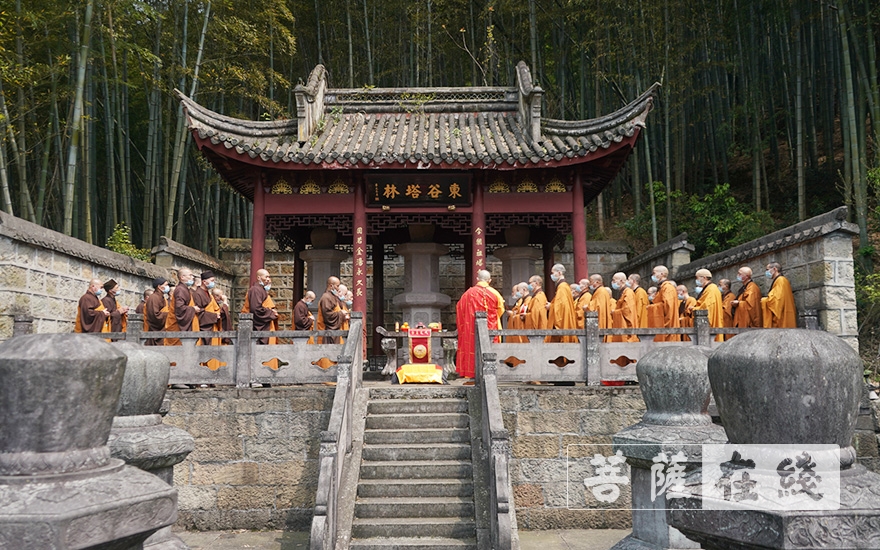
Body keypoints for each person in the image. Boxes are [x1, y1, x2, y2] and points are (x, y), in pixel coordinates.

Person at [455, 270, 504, 382]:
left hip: (471, 328)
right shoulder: (495, 293)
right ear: (489, 280)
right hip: (490, 327)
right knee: (490, 348)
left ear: (477, 279)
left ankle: (471, 373)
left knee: (471, 347)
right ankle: (491, 372)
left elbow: (459, 308)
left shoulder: (467, 294)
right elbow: (500, 310)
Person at [165, 268, 200, 346]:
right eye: (190, 275)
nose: (192, 277)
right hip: (177, 326)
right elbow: (180, 309)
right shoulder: (180, 290)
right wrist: (193, 309)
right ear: (182, 277)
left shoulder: (184, 289)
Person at [243, 268, 279, 344]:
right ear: (259, 278)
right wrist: (271, 313)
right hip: (260, 326)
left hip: (265, 325)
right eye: (266, 277)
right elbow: (256, 309)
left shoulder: (261, 290)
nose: (268, 279)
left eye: (269, 277)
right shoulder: (255, 290)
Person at [544, 264, 578, 343]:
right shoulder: (563, 286)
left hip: (563, 319)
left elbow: (561, 306)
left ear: (559, 273)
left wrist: (551, 306)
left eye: (553, 273)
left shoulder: (562, 287)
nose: (552, 275)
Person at [646, 266, 680, 342]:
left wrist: (652, 307)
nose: (653, 276)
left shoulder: (668, 287)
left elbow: (668, 306)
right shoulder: (662, 287)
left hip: (667, 323)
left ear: (662, 274)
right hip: (662, 323)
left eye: (654, 273)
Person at [690, 269, 724, 342]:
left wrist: (694, 309)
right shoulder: (707, 288)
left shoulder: (711, 289)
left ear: (704, 278)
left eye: (697, 278)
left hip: (711, 321)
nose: (696, 280)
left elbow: (707, 307)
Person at [761, 262, 797, 328]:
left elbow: (777, 300)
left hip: (781, 315)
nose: (766, 272)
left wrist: (764, 300)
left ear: (775, 269)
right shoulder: (779, 280)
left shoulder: (781, 280)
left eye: (767, 269)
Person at [192, 271, 222, 345]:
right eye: (212, 281)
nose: (213, 283)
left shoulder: (208, 294)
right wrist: (214, 316)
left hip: (211, 325)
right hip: (204, 327)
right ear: (204, 282)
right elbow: (199, 311)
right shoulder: (197, 294)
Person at [317, 276, 347, 344]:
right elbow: (327, 315)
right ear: (331, 286)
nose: (338, 288)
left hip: (334, 332)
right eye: (337, 286)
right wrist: (341, 314)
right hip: (328, 332)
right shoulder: (326, 297)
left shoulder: (332, 297)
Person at [733, 266, 762, 331]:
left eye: (740, 274)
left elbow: (751, 306)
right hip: (741, 317)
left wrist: (739, 303)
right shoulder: (745, 287)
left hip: (749, 322)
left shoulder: (752, 288)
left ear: (747, 276)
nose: (738, 275)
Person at [610, 272, 638, 342]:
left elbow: (627, 311)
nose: (612, 282)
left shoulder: (628, 292)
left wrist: (614, 312)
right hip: (621, 325)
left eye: (614, 280)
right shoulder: (623, 292)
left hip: (626, 326)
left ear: (621, 281)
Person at [145, 277, 170, 346]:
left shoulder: (162, 297)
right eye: (166, 285)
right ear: (159, 287)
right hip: (155, 330)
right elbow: (154, 316)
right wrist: (169, 315)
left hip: (163, 330)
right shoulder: (153, 298)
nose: (168, 287)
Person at [588, 274, 613, 341]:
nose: (589, 284)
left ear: (597, 282)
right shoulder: (599, 291)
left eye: (591, 282)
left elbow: (597, 307)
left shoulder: (601, 292)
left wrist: (587, 307)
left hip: (601, 320)